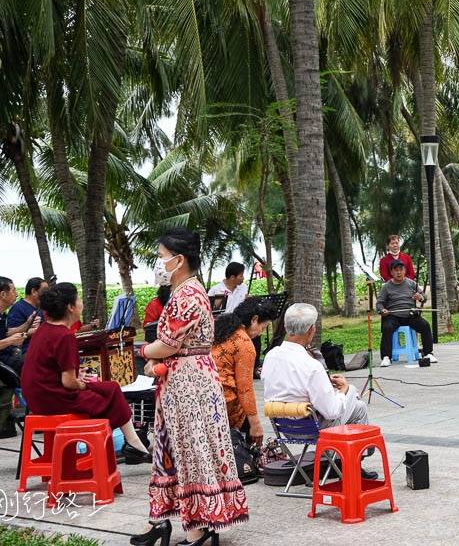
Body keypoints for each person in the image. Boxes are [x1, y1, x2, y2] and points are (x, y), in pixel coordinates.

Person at [133, 228, 247, 546]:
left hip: (188, 385)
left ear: (178, 260)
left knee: (190, 452)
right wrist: (155, 356)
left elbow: (167, 344)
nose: (158, 263)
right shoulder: (189, 291)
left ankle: (197, 526)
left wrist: (143, 351)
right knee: (171, 450)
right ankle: (159, 520)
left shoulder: (187, 295)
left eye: (161, 257)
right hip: (184, 378)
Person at [20, 282, 151, 464]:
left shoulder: (45, 329)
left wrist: (79, 379)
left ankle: (133, 443)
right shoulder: (64, 335)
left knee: (111, 388)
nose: (81, 303)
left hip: (38, 396)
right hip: (53, 398)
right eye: (78, 299)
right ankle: (133, 443)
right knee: (108, 395)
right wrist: (82, 384)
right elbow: (68, 382)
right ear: (71, 307)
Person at [262, 303, 375, 431]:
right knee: (355, 396)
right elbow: (331, 412)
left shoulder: (271, 356)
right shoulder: (312, 365)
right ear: (311, 330)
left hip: (284, 427)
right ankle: (355, 449)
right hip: (312, 428)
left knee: (356, 403)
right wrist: (344, 389)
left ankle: (338, 451)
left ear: (286, 327)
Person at [211, 297, 276, 446]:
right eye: (263, 327)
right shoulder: (245, 344)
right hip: (224, 403)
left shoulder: (221, 330)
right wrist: (256, 424)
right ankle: (249, 462)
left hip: (207, 396)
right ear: (254, 319)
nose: (260, 333)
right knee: (252, 428)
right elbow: (245, 389)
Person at [377, 260, 436, 367]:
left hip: (410, 315)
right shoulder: (386, 286)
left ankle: (428, 353)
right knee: (387, 327)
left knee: (425, 325)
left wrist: (420, 297)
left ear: (404, 271)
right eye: (396, 270)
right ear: (391, 272)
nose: (399, 273)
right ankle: (386, 357)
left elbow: (424, 297)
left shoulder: (411, 283)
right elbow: (379, 303)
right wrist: (382, 310)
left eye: (401, 270)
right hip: (393, 316)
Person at [0, 277, 37, 374]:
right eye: (14, 291)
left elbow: (6, 334)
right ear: (3, 294)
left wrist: (28, 322)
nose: (17, 294)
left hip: (9, 355)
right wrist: (11, 340)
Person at [8, 276, 48, 358]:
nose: (47, 294)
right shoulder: (18, 308)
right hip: (28, 352)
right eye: (44, 291)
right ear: (34, 291)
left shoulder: (40, 307)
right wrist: (39, 330)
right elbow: (11, 334)